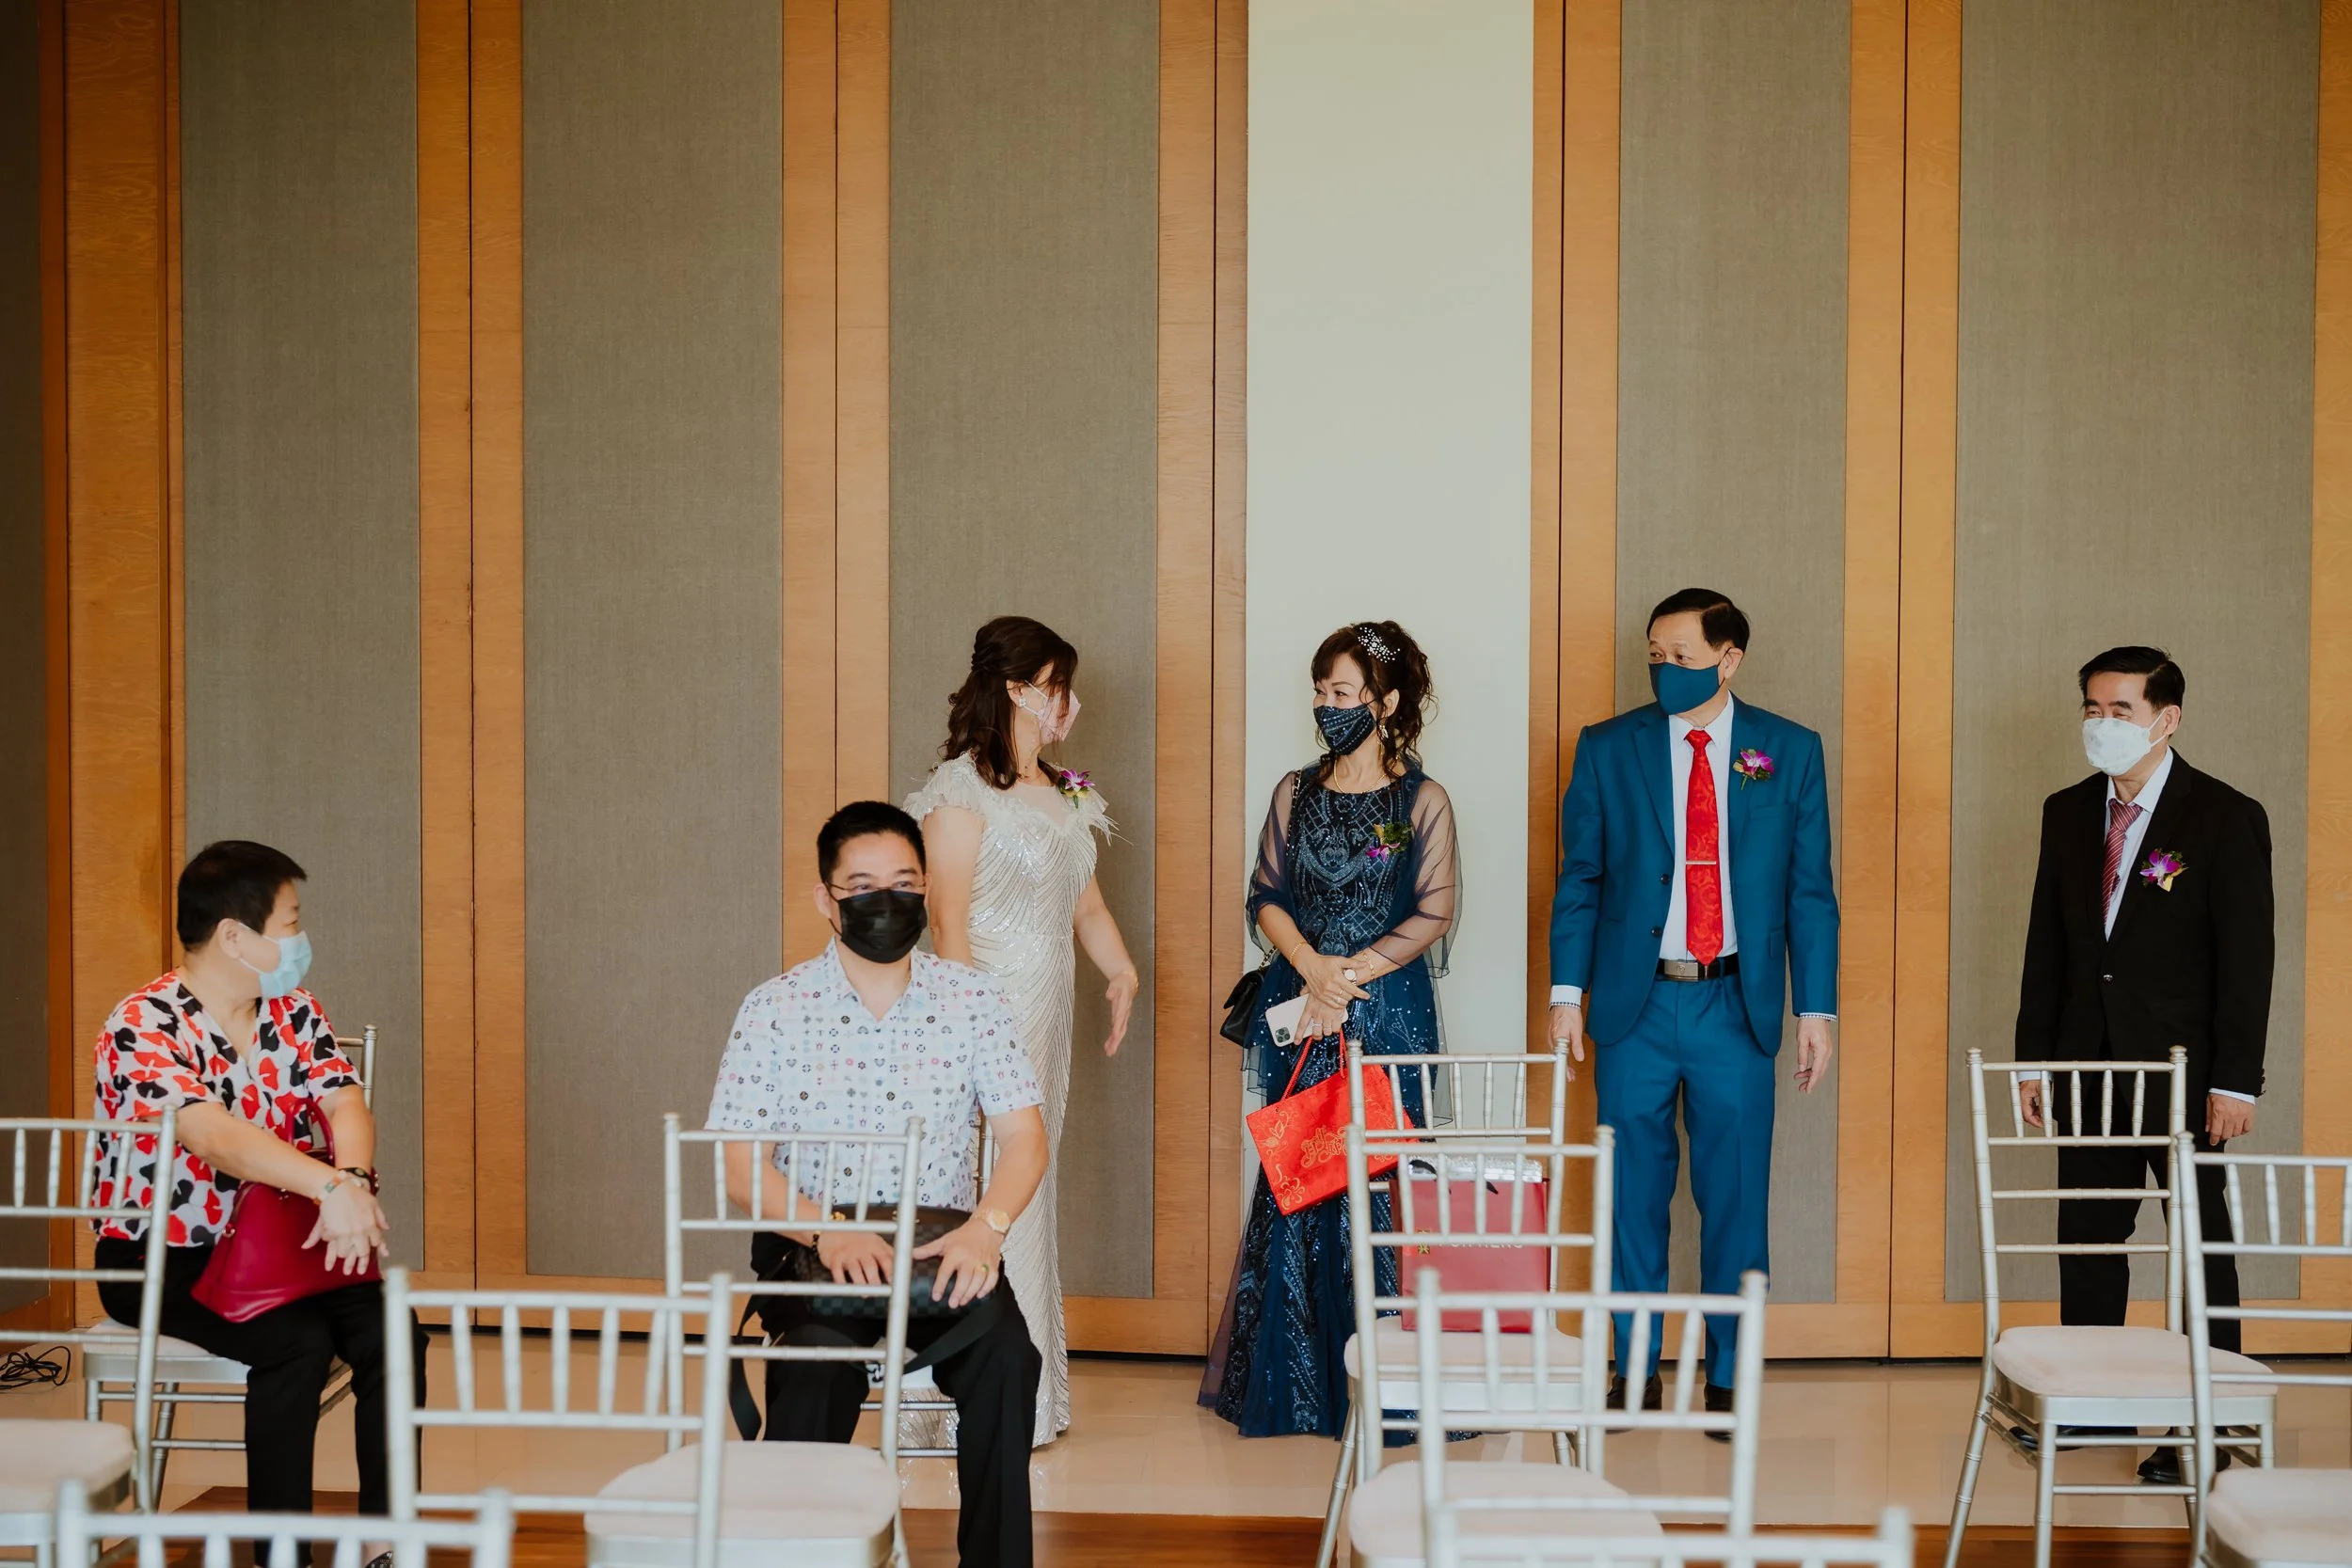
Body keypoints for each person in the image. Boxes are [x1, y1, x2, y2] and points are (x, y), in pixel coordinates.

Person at [708, 800, 1051, 1568]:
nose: (885, 900)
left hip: (941, 1248)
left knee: (1008, 1359)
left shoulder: (973, 1000)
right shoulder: (773, 1008)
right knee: (813, 1369)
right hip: (816, 1251)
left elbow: (1025, 1137)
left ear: (927, 889)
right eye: (862, 886)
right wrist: (828, 1230)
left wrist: (986, 1227)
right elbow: (739, 1168)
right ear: (826, 899)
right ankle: (801, 1557)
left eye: (903, 881)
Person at [1547, 588, 1837, 1428]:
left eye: (1681, 656)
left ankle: (1730, 1375)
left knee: (1736, 1197)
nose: (1664, 668)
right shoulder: (1608, 746)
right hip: (1634, 1006)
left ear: (1728, 658)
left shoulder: (1789, 750)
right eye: (1655, 655)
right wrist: (1567, 994)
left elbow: (1810, 892)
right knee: (1629, 1195)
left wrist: (1815, 1010)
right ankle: (1633, 1369)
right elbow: (1581, 878)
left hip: (1736, 1003)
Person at [91, 840, 416, 1557]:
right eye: (291, 922)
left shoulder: (292, 1010)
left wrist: (352, 1179)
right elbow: (212, 1137)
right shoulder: (143, 1023)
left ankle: (388, 1541)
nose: (301, 938)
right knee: (297, 1343)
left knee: (394, 1334)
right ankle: (282, 1551)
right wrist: (328, 1185)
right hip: (162, 1257)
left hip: (281, 1248)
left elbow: (344, 1101)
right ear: (234, 935)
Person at [2013, 646, 2273, 1487]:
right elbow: (2047, 946)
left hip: (2186, 1075)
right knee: (2090, 1236)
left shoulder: (2226, 816)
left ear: (2167, 718)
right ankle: (2094, 1405)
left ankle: (2211, 1417)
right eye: (2092, 708)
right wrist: (2034, 1061)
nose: (2101, 723)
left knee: (2200, 1244)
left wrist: (2235, 1079)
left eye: (2119, 709)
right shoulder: (2066, 811)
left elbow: (2248, 960)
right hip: (2089, 1064)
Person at [1200, 620, 1457, 1439]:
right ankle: (1295, 1385)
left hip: (1385, 1011)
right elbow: (1265, 894)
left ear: (1385, 702)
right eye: (1320, 691)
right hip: (1302, 1005)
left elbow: (1435, 909)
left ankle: (1389, 1382)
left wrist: (1348, 976)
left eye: (1342, 692)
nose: (1326, 705)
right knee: (1299, 1169)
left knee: (1380, 1179)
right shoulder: (1295, 791)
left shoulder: (1421, 801)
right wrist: (1313, 966)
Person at [906, 615, 1136, 1446]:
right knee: (978, 1181)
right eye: (1056, 687)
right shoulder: (960, 790)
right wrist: (971, 1032)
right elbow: (947, 923)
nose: (1068, 703)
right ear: (1016, 690)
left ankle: (1027, 1395)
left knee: (1029, 1180)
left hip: (1048, 1012)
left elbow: (1086, 904)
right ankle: (953, 1397)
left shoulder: (1066, 789)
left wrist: (1121, 969)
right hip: (986, 1011)